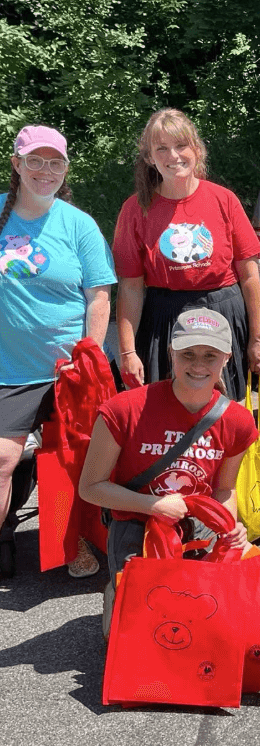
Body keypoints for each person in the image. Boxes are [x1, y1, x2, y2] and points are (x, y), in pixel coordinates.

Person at [79, 309, 255, 634]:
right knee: (141, 633)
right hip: (135, 522)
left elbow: (225, 490)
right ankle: (117, 592)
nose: (198, 365)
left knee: (199, 622)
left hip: (196, 526)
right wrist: (153, 506)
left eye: (209, 355)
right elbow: (90, 487)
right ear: (171, 352)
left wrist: (231, 528)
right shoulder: (124, 409)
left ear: (227, 358)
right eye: (188, 354)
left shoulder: (238, 421)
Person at [0, 125, 116, 580]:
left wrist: (86, 353)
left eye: (55, 163)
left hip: (69, 368)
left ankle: (77, 542)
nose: (44, 171)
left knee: (74, 459)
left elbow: (99, 295)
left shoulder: (77, 224)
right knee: (4, 460)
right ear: (17, 164)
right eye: (35, 161)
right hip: (10, 370)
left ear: (65, 169)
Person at [113, 108, 260, 401]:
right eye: (162, 148)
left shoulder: (224, 200)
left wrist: (257, 339)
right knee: (168, 415)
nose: (173, 156)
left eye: (181, 145)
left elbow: (250, 277)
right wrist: (128, 351)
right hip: (165, 322)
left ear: (197, 149)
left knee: (227, 415)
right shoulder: (135, 210)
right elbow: (131, 287)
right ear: (149, 158)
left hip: (224, 315)